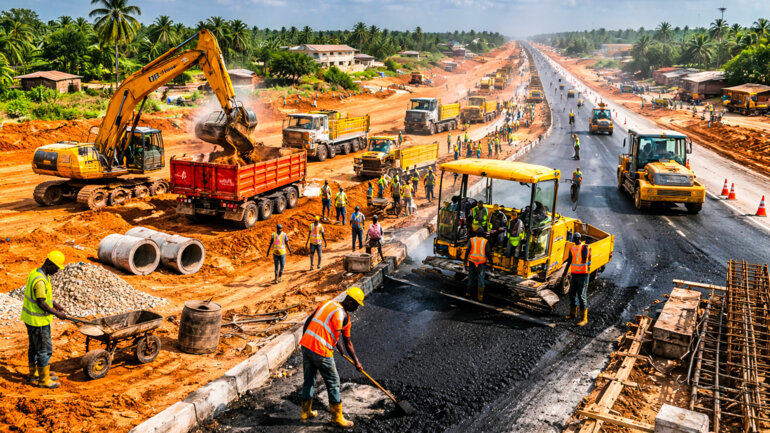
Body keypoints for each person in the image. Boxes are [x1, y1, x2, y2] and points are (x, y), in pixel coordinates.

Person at [299, 287, 365, 428]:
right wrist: (357, 362)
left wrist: (305, 339)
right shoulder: (343, 316)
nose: (357, 308)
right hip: (321, 351)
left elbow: (309, 321)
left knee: (309, 379)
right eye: (357, 305)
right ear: (351, 302)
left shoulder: (327, 303)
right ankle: (336, 417)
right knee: (333, 382)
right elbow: (346, 342)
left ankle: (306, 413)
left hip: (306, 346)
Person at [22, 251, 68, 389]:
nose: (57, 271)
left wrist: (55, 304)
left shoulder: (36, 273)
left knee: (34, 347)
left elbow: (44, 297)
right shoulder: (41, 281)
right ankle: (44, 380)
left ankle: (34, 373)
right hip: (39, 322)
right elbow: (41, 303)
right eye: (56, 268)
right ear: (49, 264)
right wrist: (57, 314)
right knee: (44, 349)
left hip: (30, 319)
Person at [565, 233, 591, 327]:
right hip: (575, 275)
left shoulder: (584, 247)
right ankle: (572, 314)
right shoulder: (572, 248)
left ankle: (584, 318)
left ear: (579, 238)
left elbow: (586, 258)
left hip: (583, 275)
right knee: (571, 293)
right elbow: (570, 260)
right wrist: (565, 273)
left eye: (576, 238)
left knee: (581, 295)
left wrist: (586, 250)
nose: (575, 240)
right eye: (574, 238)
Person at [464, 228, 491, 301]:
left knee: (471, 277)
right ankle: (480, 296)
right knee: (481, 278)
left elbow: (467, 251)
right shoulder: (485, 241)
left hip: (472, 261)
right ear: (483, 233)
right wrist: (491, 264)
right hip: (481, 263)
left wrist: (465, 263)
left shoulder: (471, 240)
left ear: (476, 233)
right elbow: (488, 253)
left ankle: (468, 293)